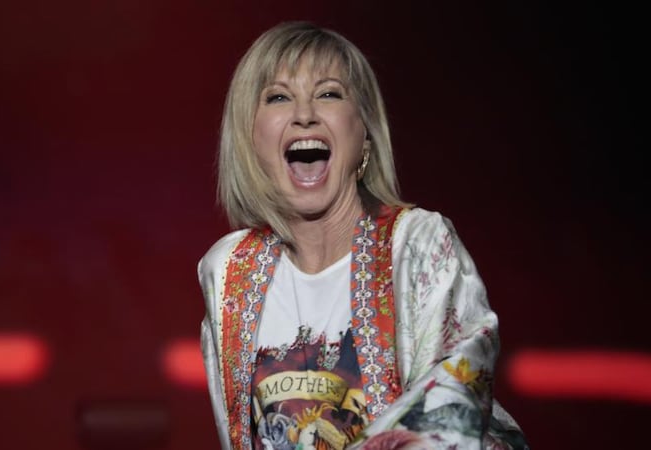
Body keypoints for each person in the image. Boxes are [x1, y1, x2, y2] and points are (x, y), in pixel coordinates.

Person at [199, 22, 527, 450]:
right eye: (278, 97)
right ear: (251, 139)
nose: (304, 113)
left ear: (364, 136)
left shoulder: (416, 245)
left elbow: (453, 400)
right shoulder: (228, 271)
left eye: (329, 93)